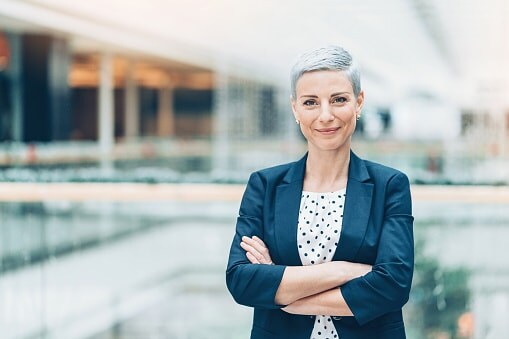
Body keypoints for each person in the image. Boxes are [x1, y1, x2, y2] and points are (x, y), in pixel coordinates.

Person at [226, 45, 414, 339]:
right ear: (295, 108)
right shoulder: (264, 186)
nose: (325, 115)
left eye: (338, 99)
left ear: (359, 102)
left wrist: (285, 295)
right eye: (311, 102)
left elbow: (393, 285)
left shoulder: (389, 186)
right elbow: (241, 280)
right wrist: (344, 271)